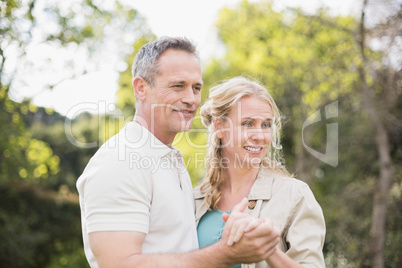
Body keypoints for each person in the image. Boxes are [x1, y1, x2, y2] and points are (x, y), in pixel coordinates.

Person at [76, 37, 280, 268]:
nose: (191, 99)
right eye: (178, 86)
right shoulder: (119, 162)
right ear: (141, 88)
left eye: (196, 88)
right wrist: (225, 254)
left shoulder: (170, 161)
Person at [195, 76, 326, 267]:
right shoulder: (194, 201)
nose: (260, 136)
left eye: (266, 125)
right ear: (219, 126)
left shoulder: (295, 196)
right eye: (248, 123)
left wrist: (267, 249)